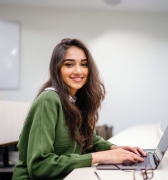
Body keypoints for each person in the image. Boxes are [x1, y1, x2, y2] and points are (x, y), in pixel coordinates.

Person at [12, 38, 146, 180]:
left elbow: (89, 139)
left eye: (84, 64)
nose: (78, 71)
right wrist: (101, 156)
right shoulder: (49, 100)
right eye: (69, 64)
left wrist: (114, 149)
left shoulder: (74, 100)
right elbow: (39, 166)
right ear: (57, 69)